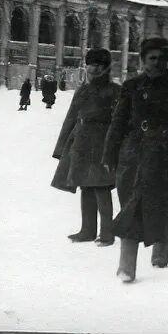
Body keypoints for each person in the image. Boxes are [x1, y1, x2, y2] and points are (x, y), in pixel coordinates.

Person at [101, 37, 168, 282]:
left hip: (167, 152)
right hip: (134, 150)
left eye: (162, 58)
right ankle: (126, 265)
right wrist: (109, 151)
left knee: (164, 202)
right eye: (152, 58)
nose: (157, 63)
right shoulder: (132, 86)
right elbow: (118, 120)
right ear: (143, 60)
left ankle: (161, 251)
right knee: (131, 203)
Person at [52, 49, 120, 246]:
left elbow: (120, 121)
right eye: (89, 65)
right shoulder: (83, 90)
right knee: (85, 186)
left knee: (102, 187)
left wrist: (116, 147)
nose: (92, 69)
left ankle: (107, 234)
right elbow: (71, 117)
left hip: (103, 144)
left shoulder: (115, 91)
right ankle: (87, 230)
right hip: (81, 144)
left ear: (106, 68)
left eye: (97, 65)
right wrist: (61, 146)